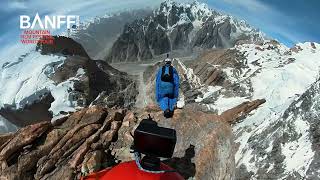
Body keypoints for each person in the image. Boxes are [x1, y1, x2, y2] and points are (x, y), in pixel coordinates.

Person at [155, 54, 179, 118]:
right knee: (171, 98)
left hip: (162, 88)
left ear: (165, 63)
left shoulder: (161, 70)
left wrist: (157, 96)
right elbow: (176, 82)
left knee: (162, 98)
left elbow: (157, 81)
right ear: (170, 63)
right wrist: (176, 95)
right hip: (171, 88)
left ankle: (165, 109)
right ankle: (171, 109)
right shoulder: (173, 70)